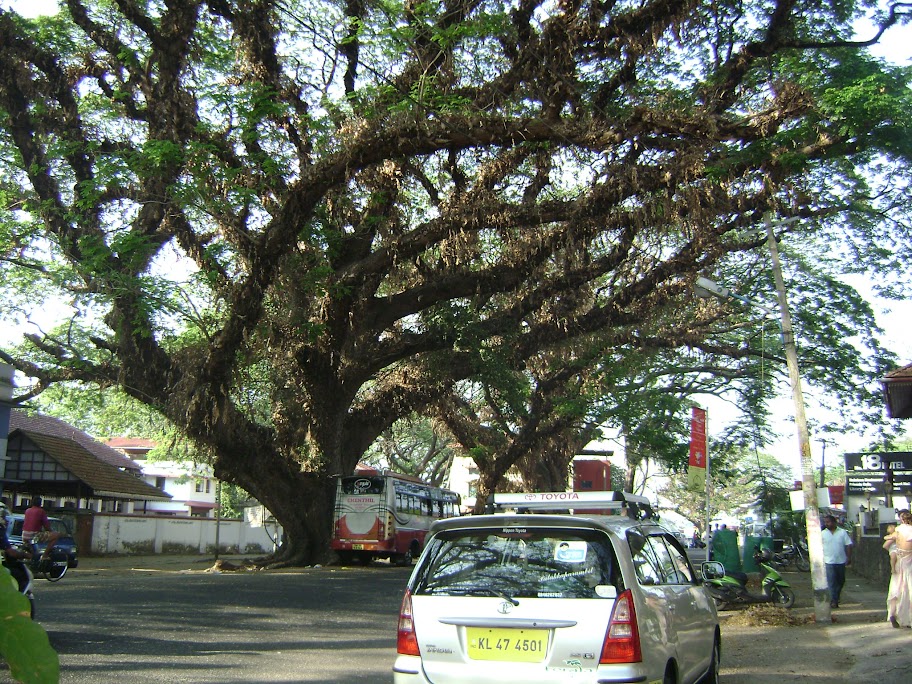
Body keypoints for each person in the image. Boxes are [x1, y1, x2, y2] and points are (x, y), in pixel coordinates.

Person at [886, 509, 912, 628]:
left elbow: (886, 543)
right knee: (908, 588)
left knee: (897, 586)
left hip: (899, 558)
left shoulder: (897, 530)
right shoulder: (911, 530)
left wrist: (895, 551)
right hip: (909, 559)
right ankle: (907, 617)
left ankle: (893, 613)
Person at [821, 514, 852, 609]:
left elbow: (848, 545)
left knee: (841, 581)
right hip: (828, 561)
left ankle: (836, 597)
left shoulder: (842, 532)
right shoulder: (822, 534)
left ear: (834, 522)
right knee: (832, 582)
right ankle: (834, 601)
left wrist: (849, 557)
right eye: (825, 522)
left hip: (841, 561)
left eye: (828, 522)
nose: (827, 524)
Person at [21, 497, 60, 567]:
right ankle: (45, 555)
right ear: (40, 504)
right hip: (34, 535)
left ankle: (32, 560)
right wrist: (51, 531)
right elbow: (46, 526)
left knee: (32, 550)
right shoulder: (41, 511)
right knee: (56, 535)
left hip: (24, 534)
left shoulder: (27, 510)